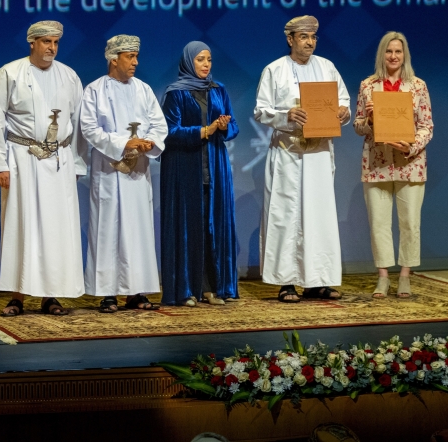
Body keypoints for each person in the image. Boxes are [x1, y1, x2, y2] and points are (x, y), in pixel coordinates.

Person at [0, 20, 86, 317]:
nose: (51, 48)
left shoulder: (68, 76)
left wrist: (77, 162)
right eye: (46, 42)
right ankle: (18, 296)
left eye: (55, 42)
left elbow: (78, 124)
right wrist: (0, 164)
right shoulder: (10, 73)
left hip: (59, 161)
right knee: (22, 224)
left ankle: (50, 296)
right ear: (32, 43)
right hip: (23, 158)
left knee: (56, 228)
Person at [254, 16, 351, 303]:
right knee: (285, 216)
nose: (310, 42)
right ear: (291, 39)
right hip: (287, 153)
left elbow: (343, 100)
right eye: (304, 37)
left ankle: (318, 281)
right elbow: (260, 110)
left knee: (318, 216)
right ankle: (286, 283)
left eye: (313, 37)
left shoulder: (327, 67)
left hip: (318, 153)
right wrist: (285, 116)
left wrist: (343, 112)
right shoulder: (274, 70)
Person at [79, 35, 167, 313]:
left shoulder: (143, 89)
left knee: (138, 229)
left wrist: (149, 142)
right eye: (130, 57)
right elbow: (90, 129)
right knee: (107, 229)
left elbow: (158, 124)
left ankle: (136, 291)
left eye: (136, 56)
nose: (135, 62)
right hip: (108, 171)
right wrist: (123, 143)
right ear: (113, 59)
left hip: (138, 172)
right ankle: (107, 293)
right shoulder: (94, 90)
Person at [353, 32, 433, 298]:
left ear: (404, 55)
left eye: (398, 52)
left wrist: (411, 146)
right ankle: (384, 276)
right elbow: (357, 125)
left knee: (410, 222)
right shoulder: (368, 85)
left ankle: (406, 275)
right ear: (382, 55)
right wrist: (372, 122)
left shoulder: (418, 86)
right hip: (377, 163)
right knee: (379, 223)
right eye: (389, 52)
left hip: (410, 162)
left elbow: (427, 126)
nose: (393, 56)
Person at [160, 41, 239, 306]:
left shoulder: (218, 90)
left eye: (209, 60)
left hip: (215, 169)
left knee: (212, 229)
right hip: (186, 169)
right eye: (200, 60)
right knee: (188, 229)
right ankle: (186, 289)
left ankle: (211, 288)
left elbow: (234, 126)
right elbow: (169, 133)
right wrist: (205, 131)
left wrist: (224, 126)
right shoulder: (176, 93)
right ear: (188, 62)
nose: (206, 65)